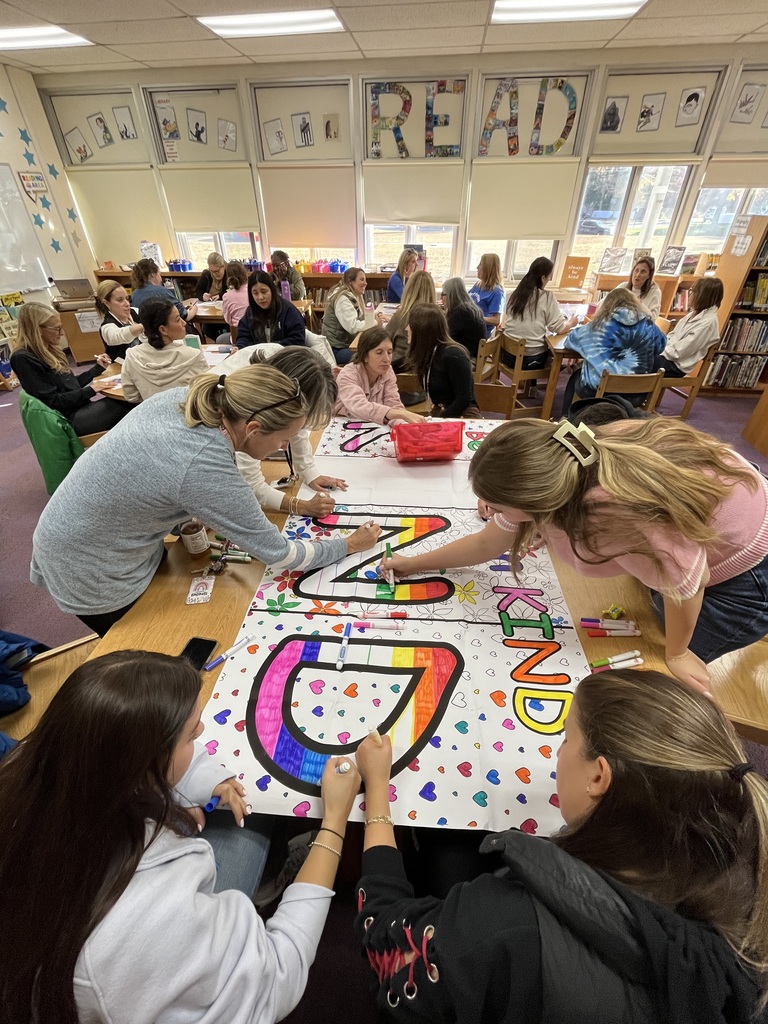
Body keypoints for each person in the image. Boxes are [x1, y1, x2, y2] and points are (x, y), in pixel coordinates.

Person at [353, 669, 768, 1022]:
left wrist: (376, 791)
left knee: (445, 850)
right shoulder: (745, 861)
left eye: (568, 737)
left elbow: (383, 949)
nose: (558, 750)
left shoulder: (502, 924)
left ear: (599, 777)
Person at [0, 649, 363, 1024]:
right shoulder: (147, 920)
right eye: (192, 734)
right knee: (254, 821)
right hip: (145, 949)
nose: (202, 734)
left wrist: (170, 801)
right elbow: (275, 980)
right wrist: (334, 823)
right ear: (144, 766)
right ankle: (272, 884)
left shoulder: (39, 769)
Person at [381, 417, 768, 692]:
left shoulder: (612, 517)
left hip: (747, 574)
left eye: (498, 505)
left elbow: (686, 584)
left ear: (536, 503)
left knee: (656, 671)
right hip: (704, 523)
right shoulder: (566, 459)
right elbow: (487, 543)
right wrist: (413, 563)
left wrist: (680, 652)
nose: (492, 511)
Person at [30, 365, 380, 635]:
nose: (283, 448)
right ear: (254, 428)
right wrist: (348, 545)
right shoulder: (205, 461)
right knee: (147, 649)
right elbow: (280, 553)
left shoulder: (189, 397)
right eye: (283, 439)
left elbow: (150, 471)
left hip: (76, 530)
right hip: (91, 568)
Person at [237, 346, 349, 515]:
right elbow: (250, 485)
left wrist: (308, 471)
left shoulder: (288, 368)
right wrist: (301, 506)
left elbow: (296, 426)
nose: (284, 447)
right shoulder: (246, 408)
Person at [10, 303, 130, 436]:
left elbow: (69, 385)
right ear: (37, 329)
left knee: (130, 403)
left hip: (79, 409)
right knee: (131, 402)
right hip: (69, 420)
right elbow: (53, 401)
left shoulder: (47, 349)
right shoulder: (23, 358)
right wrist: (91, 390)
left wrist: (96, 370)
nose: (61, 333)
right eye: (56, 329)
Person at [562, 289, 666, 413]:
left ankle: (566, 419)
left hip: (600, 392)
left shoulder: (598, 325)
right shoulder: (648, 325)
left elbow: (570, 340)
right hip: (637, 394)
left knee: (577, 374)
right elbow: (661, 346)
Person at [121, 297, 209, 403]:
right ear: (163, 329)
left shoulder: (132, 356)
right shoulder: (193, 356)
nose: (183, 323)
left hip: (152, 416)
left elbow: (131, 396)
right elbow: (207, 393)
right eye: (177, 319)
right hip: (188, 416)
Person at [335, 326, 425, 425]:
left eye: (389, 352)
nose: (386, 359)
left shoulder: (388, 371)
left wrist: (402, 425)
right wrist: (397, 413)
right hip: (344, 426)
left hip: (374, 427)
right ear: (364, 356)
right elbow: (359, 406)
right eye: (379, 352)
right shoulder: (348, 374)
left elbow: (394, 404)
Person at [502, 256, 578, 370]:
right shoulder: (547, 297)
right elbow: (558, 328)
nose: (548, 281)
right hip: (531, 360)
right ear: (543, 278)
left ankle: (530, 385)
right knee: (551, 352)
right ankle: (543, 382)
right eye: (549, 278)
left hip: (507, 356)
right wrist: (572, 323)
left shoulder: (513, 295)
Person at [407, 305, 478, 418]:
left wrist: (440, 420)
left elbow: (464, 399)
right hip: (441, 410)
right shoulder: (426, 351)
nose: (406, 328)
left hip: (461, 413)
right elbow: (399, 364)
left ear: (422, 329)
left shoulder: (453, 355)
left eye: (410, 325)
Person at [654, 277, 724, 377]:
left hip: (675, 366)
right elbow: (672, 336)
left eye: (692, 291)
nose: (690, 294)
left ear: (703, 296)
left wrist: (658, 351)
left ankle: (635, 392)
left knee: (638, 361)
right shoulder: (694, 313)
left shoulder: (708, 323)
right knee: (633, 355)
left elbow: (681, 351)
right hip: (668, 356)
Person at [236, 270, 306, 350]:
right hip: (258, 358)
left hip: (285, 358)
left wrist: (270, 348)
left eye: (264, 292)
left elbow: (298, 341)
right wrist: (239, 347)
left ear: (272, 290)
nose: (260, 297)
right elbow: (244, 337)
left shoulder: (288, 311)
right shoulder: (251, 312)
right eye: (255, 293)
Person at [383, 270, 437, 371]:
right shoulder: (438, 318)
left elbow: (383, 340)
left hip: (399, 370)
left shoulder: (401, 316)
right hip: (428, 371)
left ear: (409, 289)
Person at [130, 258, 197, 326]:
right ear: (153, 274)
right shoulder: (161, 291)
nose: (161, 279)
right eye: (159, 274)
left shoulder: (134, 294)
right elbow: (185, 316)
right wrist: (194, 308)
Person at [321, 267, 367, 365]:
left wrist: (376, 315)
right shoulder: (343, 299)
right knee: (369, 356)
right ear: (351, 282)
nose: (365, 283)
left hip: (345, 344)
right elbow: (352, 327)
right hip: (336, 349)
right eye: (362, 279)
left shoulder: (354, 296)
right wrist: (374, 323)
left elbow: (362, 317)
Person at [94, 279, 144, 361]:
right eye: (120, 300)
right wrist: (145, 325)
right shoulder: (107, 327)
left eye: (127, 299)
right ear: (107, 303)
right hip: (122, 367)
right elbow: (121, 335)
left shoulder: (135, 311)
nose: (127, 304)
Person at [440, 277, 486, 360]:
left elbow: (445, 337)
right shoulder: (469, 308)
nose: (441, 298)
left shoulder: (461, 313)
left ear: (451, 295)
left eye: (443, 294)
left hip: (468, 359)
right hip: (476, 355)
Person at [605, 255, 663, 320]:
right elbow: (605, 303)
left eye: (643, 272)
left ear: (649, 276)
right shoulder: (623, 286)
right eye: (636, 270)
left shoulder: (655, 292)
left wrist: (635, 301)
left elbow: (652, 320)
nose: (638, 275)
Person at [469, 253, 505, 337]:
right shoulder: (478, 284)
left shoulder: (497, 292)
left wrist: (475, 319)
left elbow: (496, 320)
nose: (477, 267)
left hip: (479, 334)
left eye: (480, 264)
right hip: (469, 328)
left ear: (488, 269)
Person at [221, 261, 250, 331]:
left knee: (220, 339)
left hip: (238, 334)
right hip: (255, 333)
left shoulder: (227, 296)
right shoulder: (252, 290)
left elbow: (228, 320)